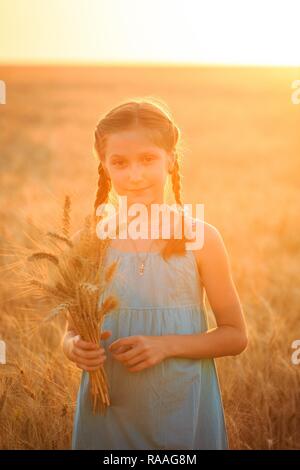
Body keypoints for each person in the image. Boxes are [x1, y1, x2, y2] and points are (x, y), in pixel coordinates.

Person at [62, 98, 248, 450]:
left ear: (171, 159)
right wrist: (74, 348)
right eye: (119, 163)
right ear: (104, 168)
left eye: (147, 159)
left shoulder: (202, 238)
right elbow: (69, 332)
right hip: (107, 411)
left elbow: (235, 336)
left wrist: (166, 346)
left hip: (182, 409)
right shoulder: (87, 243)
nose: (134, 175)